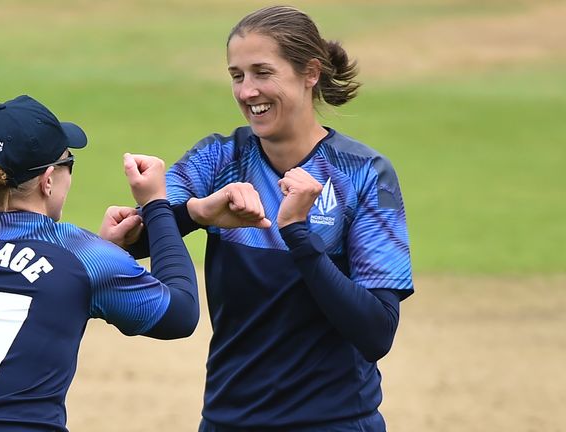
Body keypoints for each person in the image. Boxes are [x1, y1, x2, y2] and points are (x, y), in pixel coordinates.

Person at [101, 6, 414, 431]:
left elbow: (377, 332)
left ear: (310, 73)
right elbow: (139, 237)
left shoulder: (362, 174)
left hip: (334, 421)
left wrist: (297, 235)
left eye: (262, 73)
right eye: (237, 76)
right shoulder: (219, 159)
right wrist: (198, 211)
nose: (248, 92)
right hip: (228, 420)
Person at [0, 94, 199, 432]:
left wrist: (101, 251)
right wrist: (156, 204)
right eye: (69, 163)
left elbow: (8, 278)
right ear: (48, 179)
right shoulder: (78, 255)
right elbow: (180, 314)